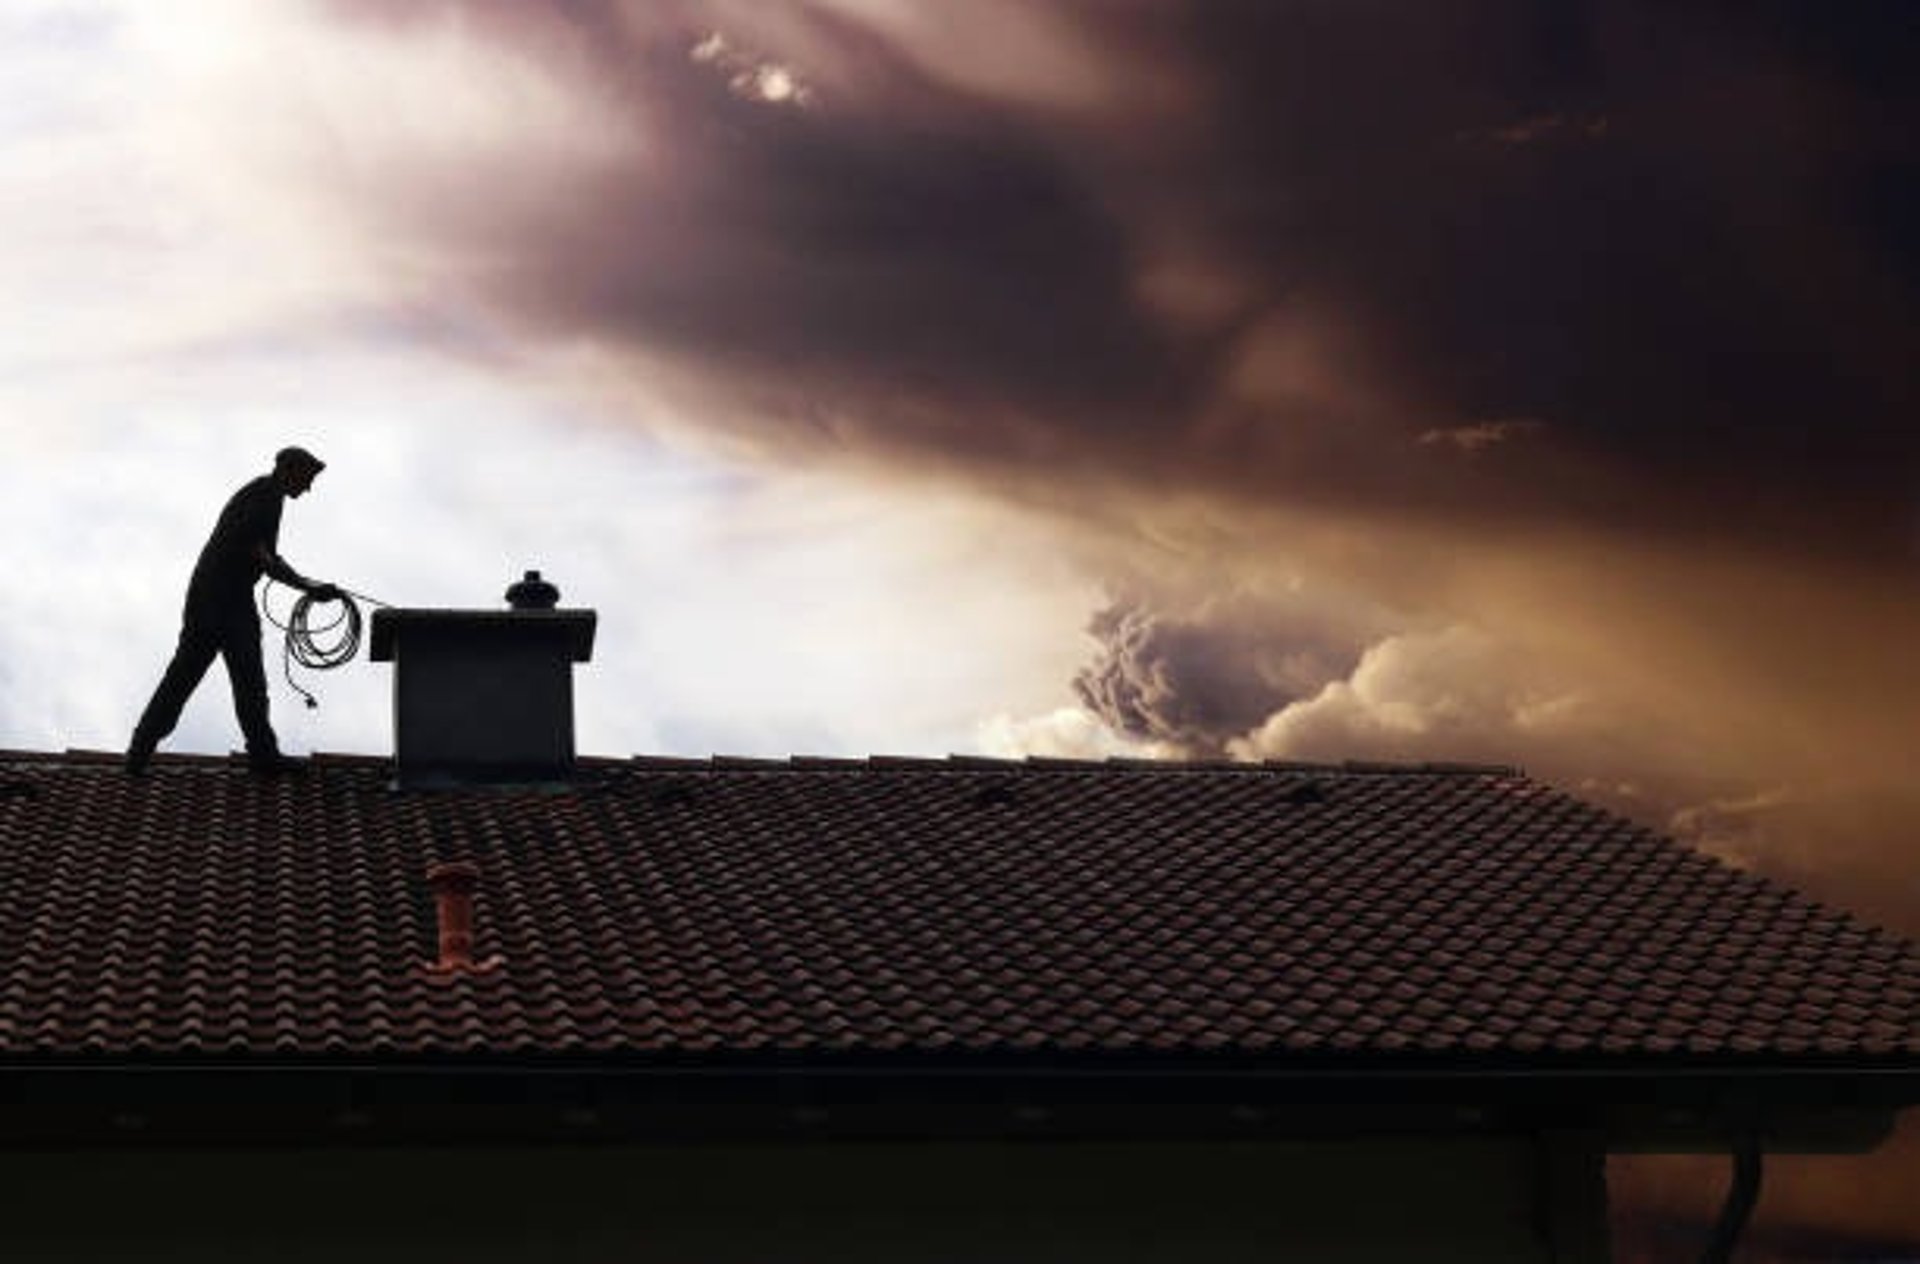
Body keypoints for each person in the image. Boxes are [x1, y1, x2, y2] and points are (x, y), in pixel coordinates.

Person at [126, 447, 342, 776]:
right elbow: (263, 557)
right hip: (215, 597)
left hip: (232, 596)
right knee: (189, 675)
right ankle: (141, 749)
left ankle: (262, 753)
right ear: (289, 469)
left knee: (244, 679)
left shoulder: (270, 497)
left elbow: (265, 555)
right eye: (307, 478)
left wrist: (306, 584)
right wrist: (308, 586)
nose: (309, 487)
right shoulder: (262, 497)